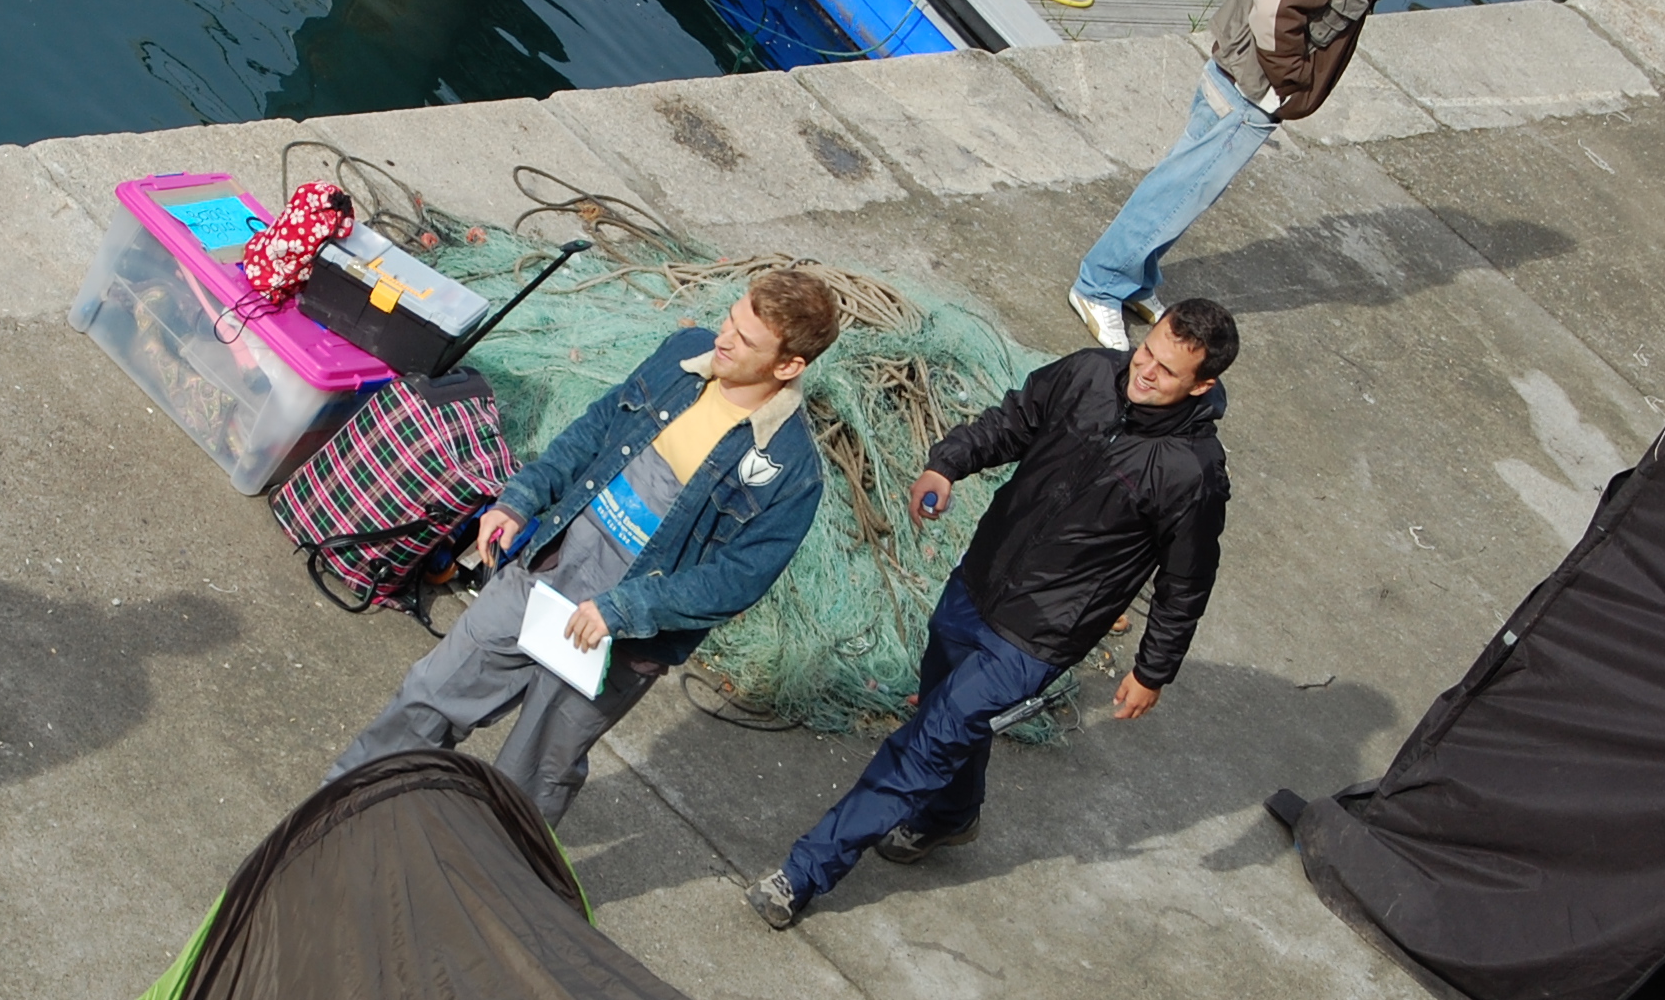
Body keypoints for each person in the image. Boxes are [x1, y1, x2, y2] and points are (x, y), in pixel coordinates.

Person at [747, 299, 1238, 928]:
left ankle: (804, 872)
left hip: (1039, 636)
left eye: (1166, 371)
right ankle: (951, 817)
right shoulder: (1090, 373)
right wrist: (947, 464)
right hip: (979, 581)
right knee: (945, 708)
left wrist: (1152, 671)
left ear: (1202, 386)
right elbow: (1014, 421)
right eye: (1147, 351)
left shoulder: (1193, 474)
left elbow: (1186, 582)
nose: (1143, 371)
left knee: (928, 742)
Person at [329, 271, 840, 826]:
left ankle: (492, 866)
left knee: (532, 773)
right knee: (432, 693)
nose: (723, 339)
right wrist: (521, 499)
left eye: (745, 340)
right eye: (730, 320)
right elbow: (596, 429)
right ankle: (342, 809)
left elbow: (736, 580)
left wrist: (624, 609)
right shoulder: (684, 355)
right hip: (553, 566)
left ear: (788, 366)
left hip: (622, 636)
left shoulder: (792, 472)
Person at [1066, 0, 1481, 351]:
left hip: (1250, 83)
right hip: (1250, 88)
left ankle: (1134, 278)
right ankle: (1099, 284)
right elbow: (1272, 6)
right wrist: (1289, 83)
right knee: (1179, 191)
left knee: (1190, 188)